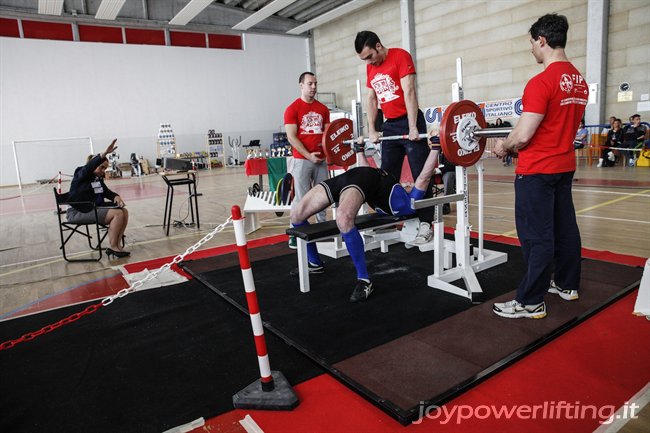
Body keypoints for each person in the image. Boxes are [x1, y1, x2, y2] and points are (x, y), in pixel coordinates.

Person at [492, 14, 588, 319]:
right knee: (565, 229)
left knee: (537, 236)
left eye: (532, 44)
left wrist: (503, 145)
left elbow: (523, 134)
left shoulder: (541, 81)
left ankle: (531, 300)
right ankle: (567, 285)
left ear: (542, 41)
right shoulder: (579, 81)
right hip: (564, 166)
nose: (532, 50)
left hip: (537, 171)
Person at [290, 139, 441, 302]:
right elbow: (365, 171)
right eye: (408, 183)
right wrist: (359, 149)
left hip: (360, 181)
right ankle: (315, 263)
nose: (408, 183)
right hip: (354, 177)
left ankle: (364, 280)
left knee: (343, 218)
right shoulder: (392, 188)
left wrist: (436, 148)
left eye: (410, 185)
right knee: (296, 215)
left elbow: (424, 177)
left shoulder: (409, 204)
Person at [355, 30, 434, 245]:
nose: (369, 62)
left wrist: (412, 127)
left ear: (379, 46)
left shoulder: (400, 56)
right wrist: (372, 129)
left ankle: (426, 223)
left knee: (421, 175)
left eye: (370, 56)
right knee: (386, 176)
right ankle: (392, 218)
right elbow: (371, 100)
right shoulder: (370, 67)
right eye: (364, 59)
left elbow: (409, 91)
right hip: (389, 125)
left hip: (410, 121)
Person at [284, 72, 330, 249]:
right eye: (310, 84)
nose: (313, 87)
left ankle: (322, 230)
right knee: (301, 198)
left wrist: (326, 155)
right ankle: (294, 234)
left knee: (323, 196)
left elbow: (327, 135)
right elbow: (291, 137)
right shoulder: (292, 109)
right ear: (301, 85)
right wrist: (309, 155)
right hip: (302, 160)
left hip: (321, 160)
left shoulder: (323, 109)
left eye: (315, 84)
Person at [67, 139, 130, 258]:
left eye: (105, 168)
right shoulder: (81, 172)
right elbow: (88, 167)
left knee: (124, 212)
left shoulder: (98, 178)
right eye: (101, 167)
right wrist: (104, 154)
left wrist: (116, 196)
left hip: (92, 209)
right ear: (93, 165)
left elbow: (106, 192)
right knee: (118, 214)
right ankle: (113, 246)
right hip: (78, 212)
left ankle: (117, 245)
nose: (103, 171)